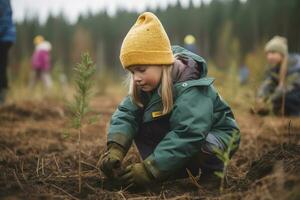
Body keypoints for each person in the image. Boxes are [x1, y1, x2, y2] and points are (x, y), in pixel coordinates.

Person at [100, 12, 240, 189]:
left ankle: (213, 175)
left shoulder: (192, 88)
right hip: (187, 136)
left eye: (141, 69)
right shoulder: (145, 86)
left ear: (162, 63)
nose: (136, 78)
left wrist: (150, 170)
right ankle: (171, 169)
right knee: (140, 121)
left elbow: (188, 133)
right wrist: (116, 148)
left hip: (217, 136)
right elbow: (126, 114)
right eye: (132, 72)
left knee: (205, 144)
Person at [256, 36, 300, 116]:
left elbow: (292, 87)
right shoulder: (274, 68)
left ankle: (294, 119)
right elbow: (269, 83)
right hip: (282, 97)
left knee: (290, 98)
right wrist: (261, 97)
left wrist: (271, 99)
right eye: (268, 53)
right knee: (277, 101)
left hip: (294, 96)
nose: (269, 56)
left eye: (273, 53)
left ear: (282, 54)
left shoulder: (294, 66)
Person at [0, 0, 16, 104]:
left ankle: (2, 96)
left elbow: (5, 20)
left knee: (1, 66)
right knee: (2, 66)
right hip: (7, 36)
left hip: (4, 37)